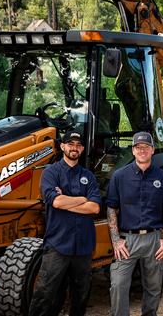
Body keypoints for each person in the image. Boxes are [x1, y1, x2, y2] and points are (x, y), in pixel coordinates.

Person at [29, 130, 101, 316]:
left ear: (83, 148)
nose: (74, 148)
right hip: (58, 245)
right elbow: (56, 202)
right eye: (70, 144)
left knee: (81, 295)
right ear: (62, 147)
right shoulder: (50, 172)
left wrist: (67, 200)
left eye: (78, 145)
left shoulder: (89, 176)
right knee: (46, 293)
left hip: (83, 246)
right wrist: (83, 199)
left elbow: (94, 208)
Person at [106, 131, 163, 316]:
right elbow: (112, 209)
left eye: (146, 147)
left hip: (154, 240)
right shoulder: (119, 176)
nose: (142, 150)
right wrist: (115, 240)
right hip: (126, 241)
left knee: (153, 288)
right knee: (119, 285)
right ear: (133, 150)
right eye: (138, 147)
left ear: (152, 150)